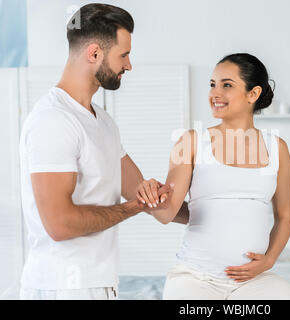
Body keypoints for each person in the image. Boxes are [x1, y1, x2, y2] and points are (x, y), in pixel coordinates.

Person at [19, 3, 186, 300]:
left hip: (99, 284)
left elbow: (152, 201)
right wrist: (132, 207)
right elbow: (60, 223)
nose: (129, 65)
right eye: (124, 55)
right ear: (94, 53)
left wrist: (220, 210)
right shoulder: (54, 120)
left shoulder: (104, 123)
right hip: (62, 286)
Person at [137, 53, 290, 299]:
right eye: (212, 84)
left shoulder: (277, 148)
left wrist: (269, 260)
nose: (215, 94)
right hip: (196, 277)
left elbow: (284, 216)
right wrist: (149, 196)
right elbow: (166, 213)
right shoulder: (192, 142)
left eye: (227, 85)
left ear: (253, 94)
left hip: (252, 280)